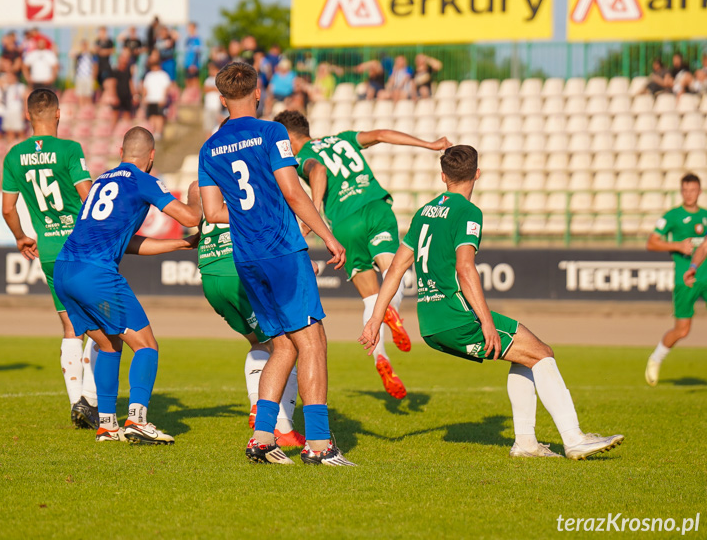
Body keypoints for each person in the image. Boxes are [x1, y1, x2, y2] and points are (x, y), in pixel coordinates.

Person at [360, 145, 624, 460]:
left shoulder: (424, 213)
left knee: (525, 354)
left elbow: (396, 269)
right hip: (456, 313)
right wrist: (486, 322)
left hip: (430, 322)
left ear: (443, 176)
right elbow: (465, 267)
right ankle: (574, 438)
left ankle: (526, 443)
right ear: (478, 174)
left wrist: (375, 319)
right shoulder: (469, 212)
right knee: (542, 354)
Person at [198, 62, 353, 466]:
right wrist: (328, 235)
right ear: (258, 93)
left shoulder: (209, 147)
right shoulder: (272, 132)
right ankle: (319, 444)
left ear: (221, 98)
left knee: (282, 344)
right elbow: (293, 192)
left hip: (246, 256)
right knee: (312, 339)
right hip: (282, 250)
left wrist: (249, 215)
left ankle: (262, 438)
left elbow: (212, 211)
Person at [274, 110, 448, 398]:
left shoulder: (301, 155)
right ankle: (390, 310)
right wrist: (428, 144)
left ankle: (382, 358)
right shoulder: (341, 139)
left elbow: (318, 171)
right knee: (393, 272)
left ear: (289, 138)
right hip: (374, 207)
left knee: (370, 296)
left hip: (343, 222)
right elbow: (380, 134)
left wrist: (314, 210)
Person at [54, 127, 202, 443]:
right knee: (147, 345)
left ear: (121, 151)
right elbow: (190, 217)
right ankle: (137, 420)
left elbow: (126, 242)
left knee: (109, 344)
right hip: (96, 275)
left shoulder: (102, 182)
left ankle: (108, 426)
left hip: (65, 271)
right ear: (151, 156)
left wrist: (181, 245)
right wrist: (198, 197)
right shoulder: (142, 180)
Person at [1, 88, 98, 430]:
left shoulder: (13, 156)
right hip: (81, 246)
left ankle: (77, 403)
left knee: (70, 326)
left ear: (28, 116)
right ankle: (92, 397)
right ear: (59, 114)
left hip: (49, 250)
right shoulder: (70, 149)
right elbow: (88, 196)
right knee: (103, 324)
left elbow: (8, 209)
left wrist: (20, 236)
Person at [197, 214, 306, 448]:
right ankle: (283, 427)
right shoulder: (246, 186)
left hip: (210, 277)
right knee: (287, 345)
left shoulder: (207, 187)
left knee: (259, 342)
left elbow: (194, 203)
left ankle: (258, 404)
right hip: (239, 273)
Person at [645, 173, 707, 386]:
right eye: (685, 190)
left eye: (693, 190)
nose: (689, 194)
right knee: (683, 329)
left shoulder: (705, 215)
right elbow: (652, 243)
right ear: (681, 192)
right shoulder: (672, 216)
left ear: (699, 191)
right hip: (685, 279)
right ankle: (656, 358)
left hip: (706, 276)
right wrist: (678, 245)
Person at [141, 59, 170, 140]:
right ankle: (152, 131)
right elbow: (145, 87)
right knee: (151, 116)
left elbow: (166, 87)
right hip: (150, 99)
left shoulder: (163, 75)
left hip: (159, 99)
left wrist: (164, 98)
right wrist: (144, 97)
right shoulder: (149, 75)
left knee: (159, 116)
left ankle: (158, 132)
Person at [72, 40, 95, 105]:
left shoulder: (91, 55)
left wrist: (94, 75)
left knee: (88, 94)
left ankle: (88, 109)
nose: (84, 47)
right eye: (83, 45)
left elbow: (95, 65)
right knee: (80, 94)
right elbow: (72, 55)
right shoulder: (79, 55)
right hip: (80, 76)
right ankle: (81, 108)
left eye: (85, 45)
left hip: (88, 76)